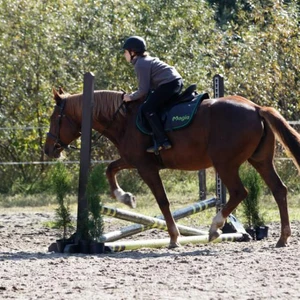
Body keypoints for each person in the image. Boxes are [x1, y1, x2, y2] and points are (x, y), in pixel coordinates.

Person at [122, 36, 183, 153]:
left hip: (169, 84)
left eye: (125, 52)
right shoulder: (144, 61)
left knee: (147, 109)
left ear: (132, 52)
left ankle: (163, 141)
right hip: (174, 82)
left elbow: (143, 90)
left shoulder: (140, 64)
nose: (125, 55)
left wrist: (130, 97)